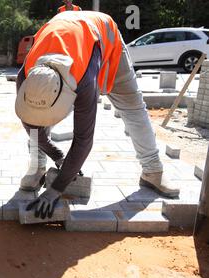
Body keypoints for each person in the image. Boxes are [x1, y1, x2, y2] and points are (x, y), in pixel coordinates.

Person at [15, 11, 180, 219]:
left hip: (105, 39)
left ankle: (153, 171)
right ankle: (37, 167)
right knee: (38, 111)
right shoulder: (27, 77)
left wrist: (56, 189)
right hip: (66, 38)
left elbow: (83, 139)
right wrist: (58, 155)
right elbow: (30, 122)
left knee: (132, 106)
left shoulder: (84, 82)